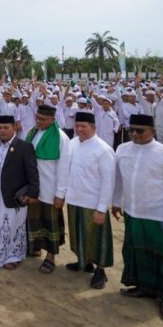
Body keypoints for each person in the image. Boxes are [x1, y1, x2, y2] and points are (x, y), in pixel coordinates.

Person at [113, 113, 163, 322]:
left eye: (140, 131)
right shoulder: (122, 150)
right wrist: (114, 202)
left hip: (159, 215)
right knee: (135, 252)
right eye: (132, 130)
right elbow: (118, 179)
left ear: (153, 131)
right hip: (132, 212)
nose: (135, 135)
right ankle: (142, 287)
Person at [64, 111, 116, 289]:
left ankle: (100, 271)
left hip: (93, 203)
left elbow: (108, 181)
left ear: (93, 128)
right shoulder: (72, 143)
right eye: (77, 126)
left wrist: (102, 208)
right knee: (78, 233)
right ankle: (84, 262)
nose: (79, 129)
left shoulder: (103, 149)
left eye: (83, 126)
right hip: (74, 199)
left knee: (98, 239)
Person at [0, 114, 39, 269]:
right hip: (0, 194)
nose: (2, 131)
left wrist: (32, 194)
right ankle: (1, 255)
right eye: (0, 128)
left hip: (17, 196)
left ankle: (14, 256)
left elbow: (32, 173)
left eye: (6, 128)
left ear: (14, 127)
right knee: (2, 226)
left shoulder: (24, 146)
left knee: (16, 226)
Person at [25, 104, 71, 273]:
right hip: (34, 188)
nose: (38, 122)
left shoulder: (61, 138)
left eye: (43, 119)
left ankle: (50, 257)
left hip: (50, 190)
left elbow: (64, 169)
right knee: (34, 220)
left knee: (50, 224)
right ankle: (35, 248)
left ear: (53, 119)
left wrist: (60, 194)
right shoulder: (32, 132)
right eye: (37, 118)